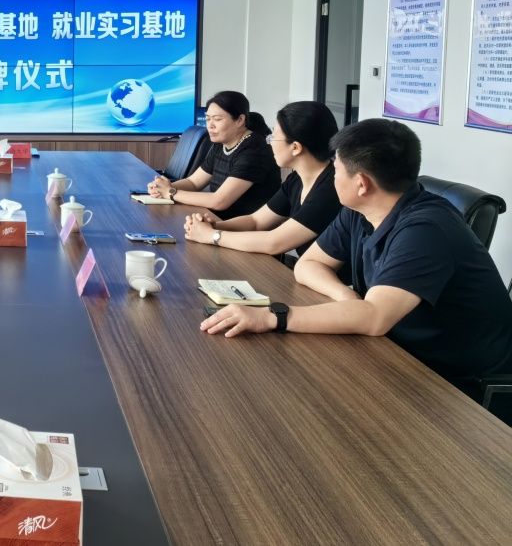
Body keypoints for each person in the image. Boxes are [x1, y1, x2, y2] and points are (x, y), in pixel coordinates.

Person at [201, 119, 512, 386]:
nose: (332, 177)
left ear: (361, 183)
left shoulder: (427, 229)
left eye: (336, 170)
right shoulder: (360, 211)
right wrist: (347, 297)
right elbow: (309, 264)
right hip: (396, 353)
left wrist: (272, 317)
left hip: (460, 384)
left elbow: (375, 317)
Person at [184, 101, 341, 257]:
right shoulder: (296, 179)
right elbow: (256, 221)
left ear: (295, 148)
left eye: (273, 137)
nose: (270, 143)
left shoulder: (331, 188)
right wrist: (213, 226)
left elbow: (274, 243)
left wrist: (211, 236)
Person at [148, 91, 281, 219]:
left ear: (240, 120)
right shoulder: (221, 143)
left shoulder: (254, 150)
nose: (210, 126)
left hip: (243, 227)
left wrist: (171, 192)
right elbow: (193, 182)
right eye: (208, 119)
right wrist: (162, 188)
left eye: (217, 119)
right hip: (217, 218)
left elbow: (219, 201)